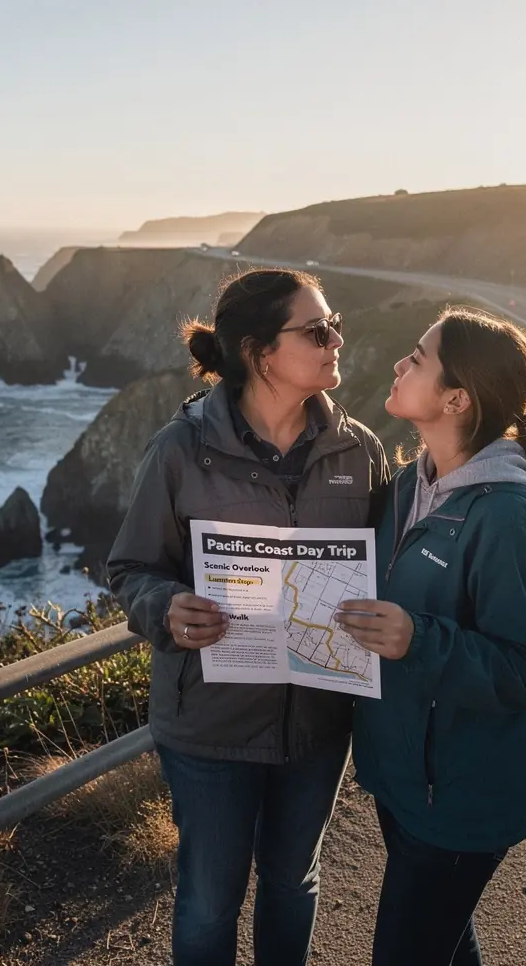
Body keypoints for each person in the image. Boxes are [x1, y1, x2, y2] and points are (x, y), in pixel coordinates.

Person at [107, 268, 390, 966]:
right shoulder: (180, 449)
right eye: (318, 331)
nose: (337, 340)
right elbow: (131, 569)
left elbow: (388, 569)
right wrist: (166, 608)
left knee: (294, 882)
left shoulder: (360, 450)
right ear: (260, 351)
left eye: (335, 325)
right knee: (209, 901)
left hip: (320, 721)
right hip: (210, 728)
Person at [334, 307, 526, 966]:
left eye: (418, 358)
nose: (399, 363)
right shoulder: (410, 486)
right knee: (445, 945)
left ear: (457, 399)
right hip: (405, 781)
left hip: (461, 800)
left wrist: (417, 639)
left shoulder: (507, 515)